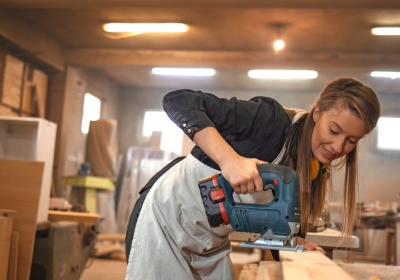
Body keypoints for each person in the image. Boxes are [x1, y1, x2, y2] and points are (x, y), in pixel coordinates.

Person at [125, 77, 381, 280]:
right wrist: (229, 160)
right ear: (317, 113)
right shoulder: (270, 121)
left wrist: (292, 242)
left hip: (208, 244)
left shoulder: (312, 167)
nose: (337, 147)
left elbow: (276, 227)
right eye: (334, 130)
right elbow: (179, 100)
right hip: (164, 222)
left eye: (351, 141)